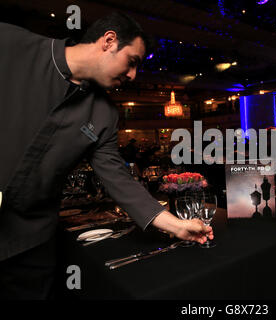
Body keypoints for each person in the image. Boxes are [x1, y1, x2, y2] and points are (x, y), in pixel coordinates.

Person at [0, 12, 213, 299]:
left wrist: (177, 226)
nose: (133, 75)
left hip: (32, 243)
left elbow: (119, 180)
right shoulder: (11, 43)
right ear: (108, 41)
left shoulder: (104, 114)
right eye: (132, 62)